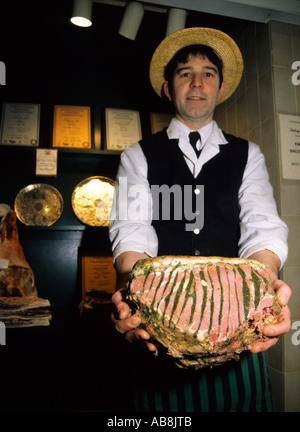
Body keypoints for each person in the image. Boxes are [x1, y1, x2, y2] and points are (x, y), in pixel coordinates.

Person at [109, 27, 292, 412]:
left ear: (221, 88)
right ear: (167, 88)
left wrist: (265, 283)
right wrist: (133, 293)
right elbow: (133, 231)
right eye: (184, 73)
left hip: (237, 327)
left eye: (208, 72)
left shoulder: (248, 154)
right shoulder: (138, 155)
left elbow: (263, 226)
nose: (196, 82)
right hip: (160, 333)